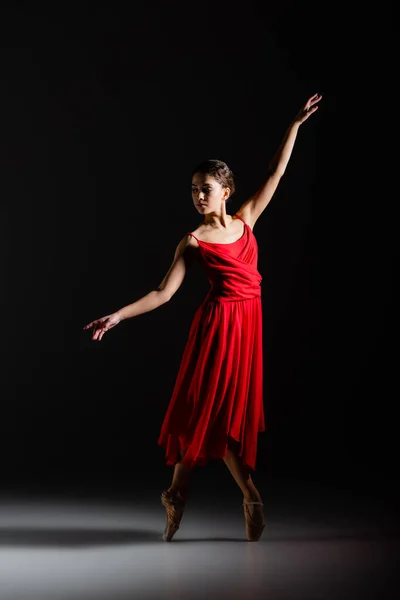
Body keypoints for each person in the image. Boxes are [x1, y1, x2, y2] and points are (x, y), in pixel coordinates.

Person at [83, 92, 322, 542]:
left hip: (248, 326)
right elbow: (162, 293)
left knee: (226, 415)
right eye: (193, 189)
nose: (197, 196)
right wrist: (117, 316)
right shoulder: (192, 242)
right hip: (217, 330)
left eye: (205, 189)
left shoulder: (247, 220)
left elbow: (276, 172)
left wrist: (294, 126)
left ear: (226, 192)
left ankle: (185, 495)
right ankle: (239, 496)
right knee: (204, 414)